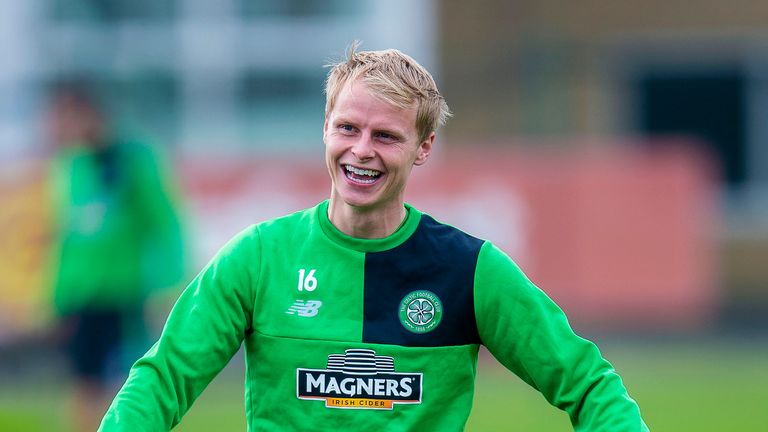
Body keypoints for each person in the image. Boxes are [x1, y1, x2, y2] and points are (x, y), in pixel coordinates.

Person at [99, 45, 648, 431]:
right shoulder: (260, 257)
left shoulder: (470, 270)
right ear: (325, 127)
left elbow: (588, 382)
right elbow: (164, 377)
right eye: (347, 128)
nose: (361, 150)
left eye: (385, 136)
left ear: (424, 147)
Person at [46, 82, 185, 431]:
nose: (58, 128)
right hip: (82, 298)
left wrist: (168, 285)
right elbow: (68, 239)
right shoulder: (71, 166)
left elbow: (164, 223)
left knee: (129, 386)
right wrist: (59, 297)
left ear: (90, 115)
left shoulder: (132, 160)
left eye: (66, 118)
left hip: (124, 295)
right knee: (84, 385)